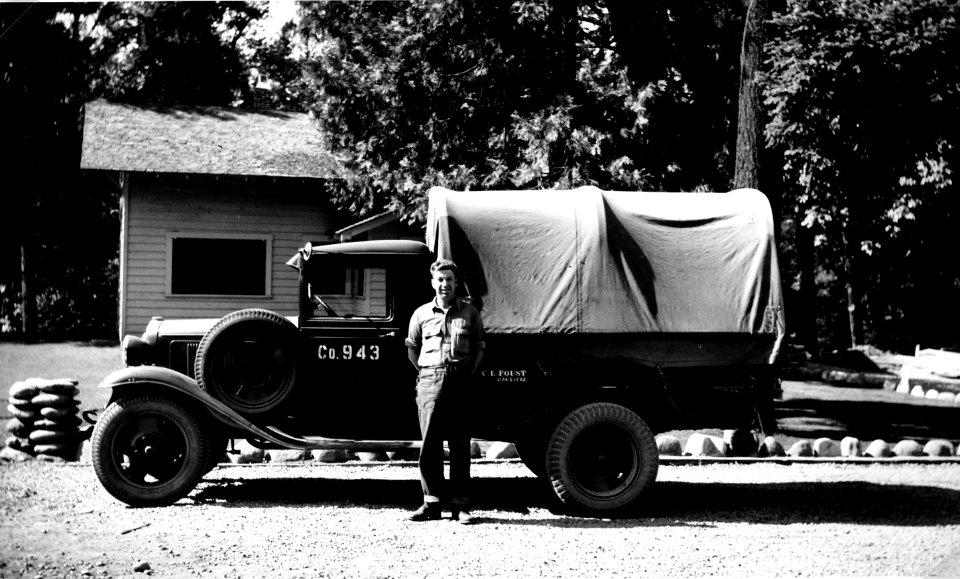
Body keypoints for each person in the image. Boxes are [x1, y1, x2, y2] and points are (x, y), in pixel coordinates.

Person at [404, 259, 485, 524]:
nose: (444, 284)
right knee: (429, 445)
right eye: (440, 279)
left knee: (460, 445)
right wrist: (429, 373)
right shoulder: (421, 314)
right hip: (429, 382)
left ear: (456, 283)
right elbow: (412, 348)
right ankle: (431, 504)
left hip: (460, 382)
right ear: (432, 283)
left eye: (449, 279)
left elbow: (479, 348)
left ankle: (460, 506)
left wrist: (465, 374)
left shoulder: (470, 313)